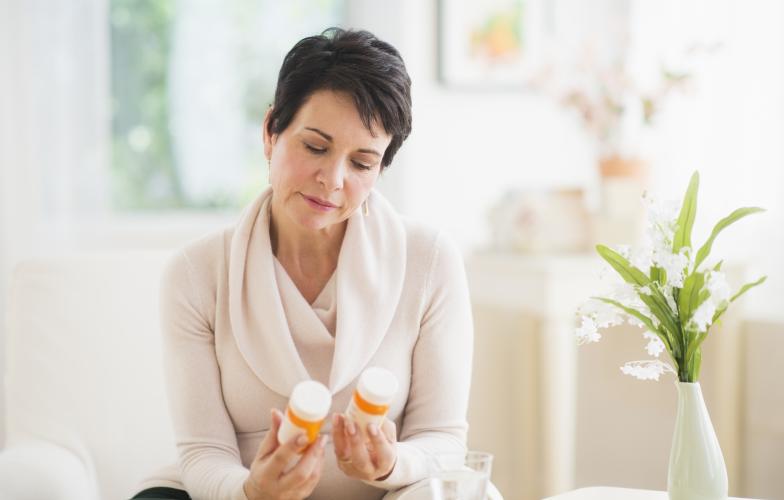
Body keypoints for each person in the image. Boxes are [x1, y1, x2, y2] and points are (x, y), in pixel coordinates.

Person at [131, 27, 473, 500]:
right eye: (315, 147)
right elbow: (204, 454)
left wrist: (392, 464)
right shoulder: (196, 274)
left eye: (362, 163)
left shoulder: (429, 260)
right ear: (271, 132)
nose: (332, 180)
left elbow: (443, 439)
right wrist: (252, 490)